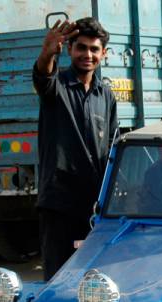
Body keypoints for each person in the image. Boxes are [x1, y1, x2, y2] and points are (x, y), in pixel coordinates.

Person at [33, 17, 118, 280]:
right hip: (60, 204)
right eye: (81, 47)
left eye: (94, 49)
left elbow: (112, 148)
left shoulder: (105, 96)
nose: (87, 55)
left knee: (93, 279)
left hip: (95, 206)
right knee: (59, 278)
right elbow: (43, 76)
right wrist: (47, 53)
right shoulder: (56, 86)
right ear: (70, 49)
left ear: (103, 53)